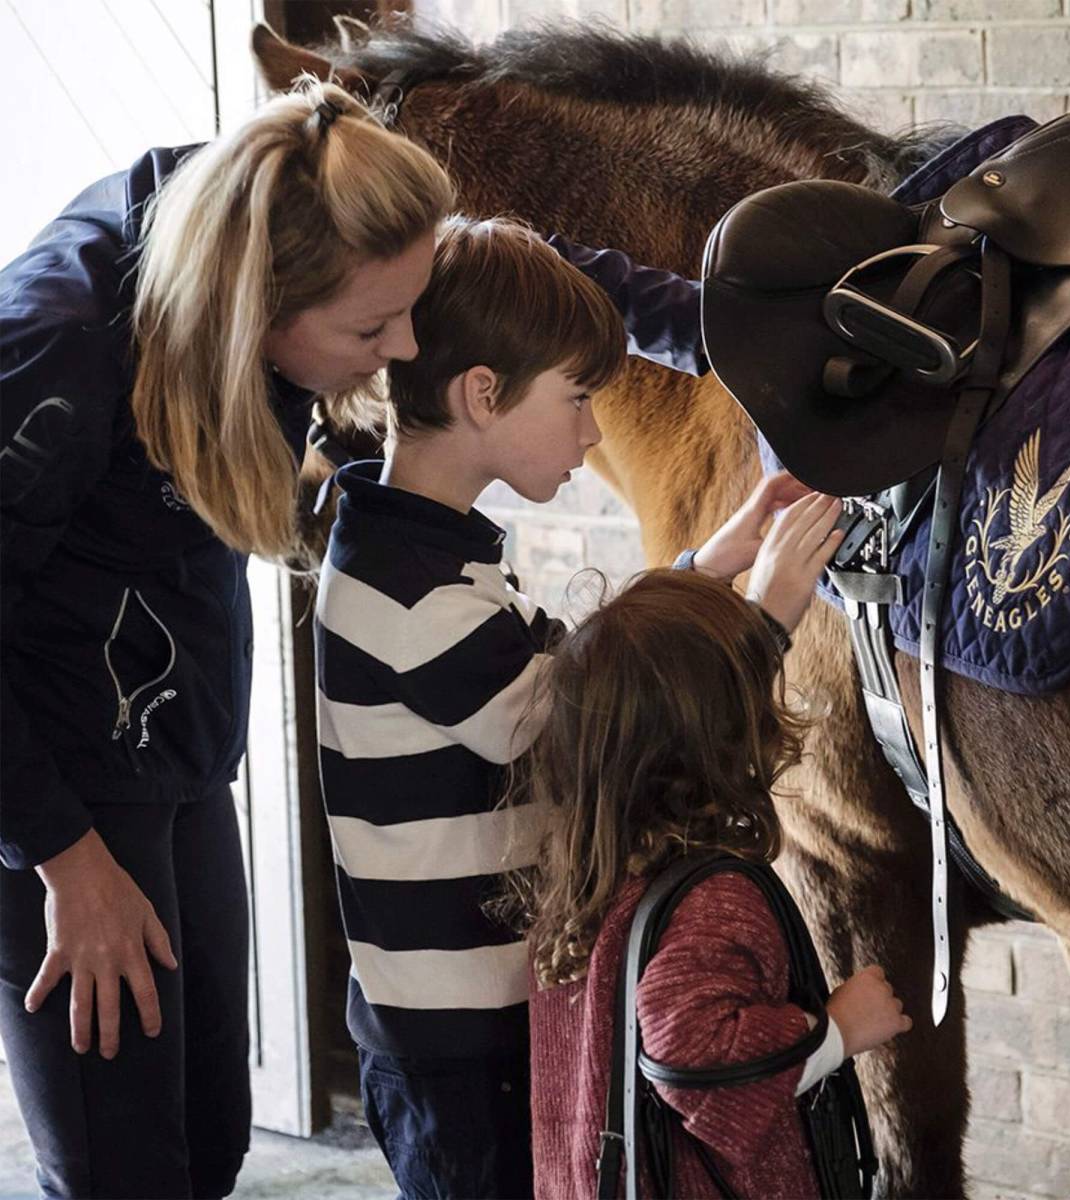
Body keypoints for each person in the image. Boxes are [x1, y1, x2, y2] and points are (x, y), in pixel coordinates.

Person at [0, 81, 456, 1198]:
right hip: (52, 777)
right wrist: (66, 857)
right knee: (126, 1168)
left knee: (211, 1139)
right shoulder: (52, 347)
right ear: (261, 309)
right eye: (369, 328)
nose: (399, 350)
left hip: (180, 744)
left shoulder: (290, 194)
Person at [313, 214, 816, 1198]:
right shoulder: (413, 593)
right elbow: (584, 717)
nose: (593, 430)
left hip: (477, 1021)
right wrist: (762, 625)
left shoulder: (425, 548)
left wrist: (715, 558)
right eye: (579, 396)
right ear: (484, 394)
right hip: (459, 1049)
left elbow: (568, 664)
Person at [510, 559, 914, 1198]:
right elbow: (690, 1056)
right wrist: (838, 1029)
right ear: (727, 735)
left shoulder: (588, 881)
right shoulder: (715, 899)